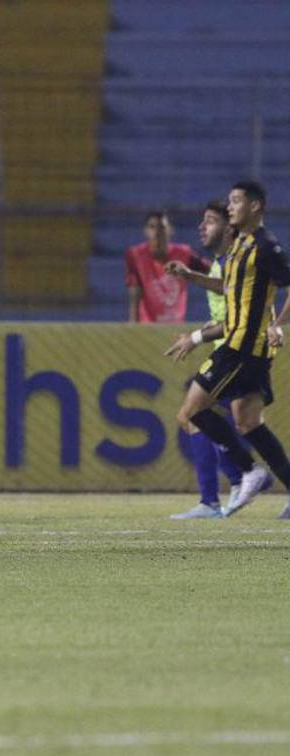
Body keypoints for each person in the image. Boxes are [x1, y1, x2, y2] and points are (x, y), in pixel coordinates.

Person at [165, 181, 290, 517]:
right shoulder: (239, 248)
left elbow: (287, 284)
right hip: (241, 345)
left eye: (237, 201)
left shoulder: (266, 247)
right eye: (231, 201)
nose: (231, 206)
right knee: (248, 422)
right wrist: (191, 276)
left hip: (242, 347)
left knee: (192, 411)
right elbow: (228, 288)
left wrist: (278, 324)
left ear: (256, 207)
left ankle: (248, 473)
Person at [126, 210, 208, 323]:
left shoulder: (185, 254)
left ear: (170, 231)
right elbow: (134, 292)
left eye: (162, 227)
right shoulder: (135, 255)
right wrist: (132, 325)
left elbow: (211, 270)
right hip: (147, 327)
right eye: (152, 227)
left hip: (175, 325)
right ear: (145, 231)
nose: (157, 232)